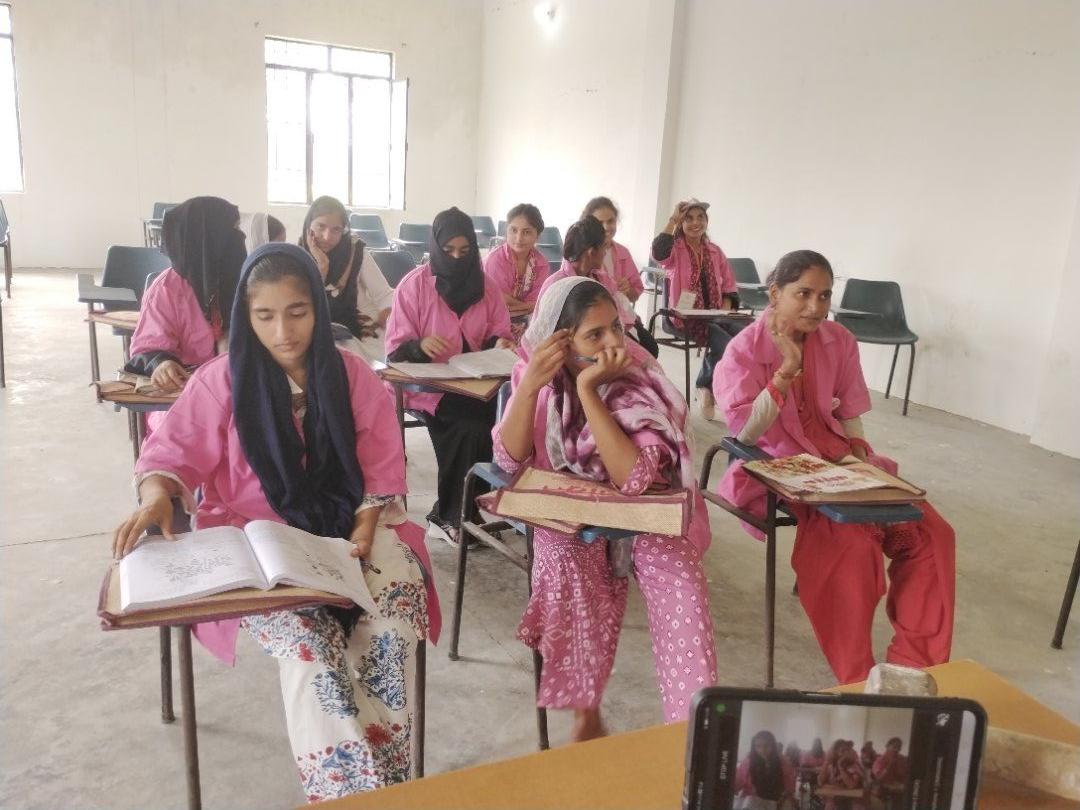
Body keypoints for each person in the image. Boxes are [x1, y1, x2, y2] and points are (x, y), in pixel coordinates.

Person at [112, 243, 438, 800]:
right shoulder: (221, 380)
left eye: (298, 312)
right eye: (264, 316)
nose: (283, 332)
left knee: (390, 629)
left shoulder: (355, 377)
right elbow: (170, 454)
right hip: (258, 543)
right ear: (246, 315)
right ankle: (353, 797)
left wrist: (363, 528)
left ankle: (384, 789)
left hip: (351, 529)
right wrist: (156, 495)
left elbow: (381, 465)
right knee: (313, 652)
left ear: (318, 308)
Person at [714, 250, 955, 684]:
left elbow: (849, 415)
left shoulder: (838, 340)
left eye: (824, 296)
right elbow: (745, 434)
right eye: (803, 294)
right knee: (852, 546)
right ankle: (857, 677)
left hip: (840, 460)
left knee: (932, 534)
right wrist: (786, 371)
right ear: (775, 293)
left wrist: (860, 460)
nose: (816, 307)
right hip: (780, 465)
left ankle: (914, 665)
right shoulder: (743, 351)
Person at [494, 276, 717, 741]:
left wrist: (589, 390)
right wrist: (531, 385)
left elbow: (635, 479)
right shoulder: (535, 374)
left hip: (647, 506)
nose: (614, 343)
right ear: (559, 343)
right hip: (572, 509)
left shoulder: (637, 373)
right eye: (594, 335)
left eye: (616, 326)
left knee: (683, 584)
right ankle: (585, 710)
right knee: (564, 562)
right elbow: (509, 460)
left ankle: (691, 733)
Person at [384, 207, 514, 544]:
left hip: (479, 383)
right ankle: (450, 516)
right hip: (430, 388)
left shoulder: (485, 286)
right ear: (435, 247)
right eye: (449, 250)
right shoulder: (414, 287)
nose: (457, 258)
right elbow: (395, 351)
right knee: (468, 428)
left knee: (507, 424)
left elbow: (499, 332)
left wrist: (499, 343)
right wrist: (420, 346)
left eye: (465, 250)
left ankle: (470, 507)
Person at [126, 196, 247, 431]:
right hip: (182, 395)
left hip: (234, 389)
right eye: (232, 229)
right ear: (207, 237)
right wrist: (162, 365)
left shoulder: (244, 282)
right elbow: (147, 347)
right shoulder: (167, 290)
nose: (239, 237)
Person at [651, 198, 741, 419]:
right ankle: (705, 386)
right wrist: (673, 219)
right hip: (685, 317)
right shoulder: (675, 249)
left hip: (715, 314)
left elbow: (729, 284)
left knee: (744, 336)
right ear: (681, 223)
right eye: (689, 218)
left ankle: (714, 387)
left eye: (700, 217)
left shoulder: (715, 251)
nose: (695, 223)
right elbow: (658, 253)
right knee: (725, 343)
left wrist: (724, 311)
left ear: (706, 221)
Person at [536, 216, 656, 365]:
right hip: (577, 348)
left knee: (649, 351)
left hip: (611, 333)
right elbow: (545, 333)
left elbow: (620, 313)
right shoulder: (556, 285)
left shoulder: (602, 278)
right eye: (604, 247)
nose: (605, 253)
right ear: (592, 252)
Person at [299, 196, 394, 364]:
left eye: (336, 230)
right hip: (317, 333)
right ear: (309, 226)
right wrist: (322, 268)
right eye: (321, 226)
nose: (327, 237)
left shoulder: (354, 252)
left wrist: (388, 312)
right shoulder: (297, 256)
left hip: (361, 333)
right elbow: (304, 306)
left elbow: (384, 294)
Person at [582, 196, 659, 357]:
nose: (606, 227)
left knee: (651, 347)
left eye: (611, 221)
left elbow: (635, 293)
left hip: (623, 317)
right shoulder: (582, 253)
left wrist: (628, 290)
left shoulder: (623, 252)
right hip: (593, 322)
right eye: (600, 222)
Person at [482, 203, 550, 341]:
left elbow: (536, 302)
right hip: (492, 319)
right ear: (506, 230)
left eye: (526, 232)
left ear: (537, 236)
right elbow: (499, 301)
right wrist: (528, 306)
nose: (519, 238)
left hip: (526, 320)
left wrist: (527, 307)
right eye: (513, 230)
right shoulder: (494, 260)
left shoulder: (541, 264)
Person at [734, 730, 796, 809]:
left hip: (776, 802)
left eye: (766, 745)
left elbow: (789, 787)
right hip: (751, 803)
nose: (762, 750)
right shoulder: (747, 762)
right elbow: (738, 782)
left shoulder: (784, 763)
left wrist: (781, 801)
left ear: (773, 746)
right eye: (758, 746)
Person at [820, 740, 867, 810]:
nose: (846, 753)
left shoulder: (854, 765)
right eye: (843, 751)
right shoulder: (831, 766)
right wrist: (826, 762)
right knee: (830, 804)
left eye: (847, 750)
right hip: (836, 799)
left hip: (853, 801)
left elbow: (851, 785)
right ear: (835, 753)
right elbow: (820, 782)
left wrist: (840, 767)